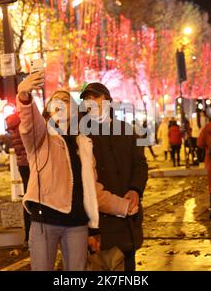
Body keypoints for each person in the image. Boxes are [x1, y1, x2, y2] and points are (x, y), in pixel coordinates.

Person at [17, 74, 137, 271]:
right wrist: (24, 96)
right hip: (45, 220)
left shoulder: (84, 143)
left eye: (67, 100)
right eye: (57, 100)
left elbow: (92, 190)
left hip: (77, 225)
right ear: (47, 110)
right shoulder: (40, 138)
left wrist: (124, 206)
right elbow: (29, 124)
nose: (62, 103)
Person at [80, 82, 148, 272]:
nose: (91, 102)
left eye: (96, 97)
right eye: (87, 98)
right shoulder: (81, 134)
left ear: (108, 101)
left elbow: (140, 164)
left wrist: (135, 189)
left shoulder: (126, 130)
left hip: (129, 220)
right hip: (101, 222)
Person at [5, 113, 31, 247]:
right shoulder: (24, 128)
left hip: (22, 165)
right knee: (35, 199)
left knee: (27, 198)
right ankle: (32, 235)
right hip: (32, 165)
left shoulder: (12, 130)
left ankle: (27, 236)